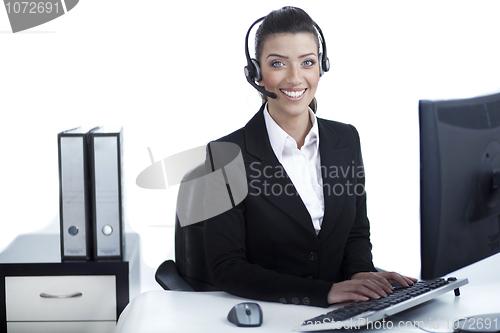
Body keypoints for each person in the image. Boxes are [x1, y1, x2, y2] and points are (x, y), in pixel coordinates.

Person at [203, 6, 416, 308]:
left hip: (344, 313)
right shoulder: (226, 157)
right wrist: (324, 293)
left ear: (321, 67)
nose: (294, 77)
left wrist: (361, 276)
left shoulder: (346, 140)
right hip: (270, 315)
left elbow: (356, 231)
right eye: (277, 63)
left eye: (307, 62)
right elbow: (226, 268)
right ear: (256, 74)